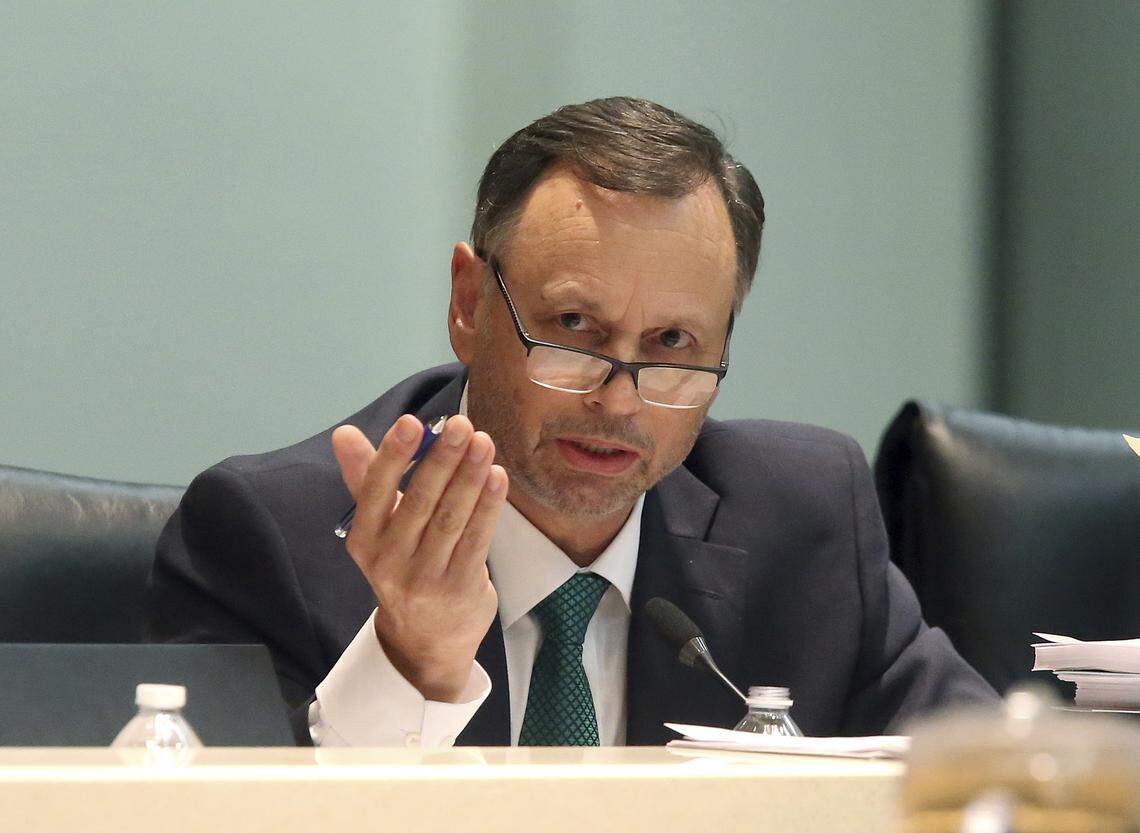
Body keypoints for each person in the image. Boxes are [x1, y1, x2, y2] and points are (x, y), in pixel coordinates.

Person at [147, 97, 996, 747]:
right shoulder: (271, 542)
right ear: (470, 303)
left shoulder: (805, 523)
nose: (619, 400)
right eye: (574, 330)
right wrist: (414, 666)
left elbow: (994, 776)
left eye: (672, 344)